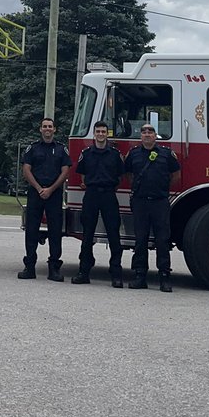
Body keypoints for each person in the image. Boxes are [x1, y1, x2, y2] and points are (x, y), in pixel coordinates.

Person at [123, 123, 181, 292]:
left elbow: (176, 175)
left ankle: (164, 277)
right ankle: (140, 276)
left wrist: (162, 189)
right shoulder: (133, 154)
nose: (147, 134)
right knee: (140, 240)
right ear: (140, 136)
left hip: (159, 202)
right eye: (144, 131)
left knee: (162, 240)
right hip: (140, 202)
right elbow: (128, 174)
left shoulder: (166, 154)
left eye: (150, 131)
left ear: (155, 136)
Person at [71, 121, 125, 287]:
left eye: (103, 131)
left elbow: (120, 176)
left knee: (114, 235)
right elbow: (82, 175)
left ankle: (116, 274)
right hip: (91, 195)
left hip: (109, 195)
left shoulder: (115, 154)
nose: (101, 134)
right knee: (87, 235)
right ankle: (84, 272)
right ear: (94, 134)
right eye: (98, 131)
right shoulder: (86, 153)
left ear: (107, 134)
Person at [18, 117, 72, 282]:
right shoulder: (32, 148)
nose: (47, 129)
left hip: (54, 194)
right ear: (40, 129)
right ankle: (30, 267)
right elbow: (26, 170)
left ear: (54, 129)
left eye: (50, 126)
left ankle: (54, 268)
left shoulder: (61, 149)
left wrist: (50, 189)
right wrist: (39, 188)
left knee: (55, 231)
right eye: (44, 126)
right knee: (31, 230)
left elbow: (65, 171)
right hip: (36, 193)